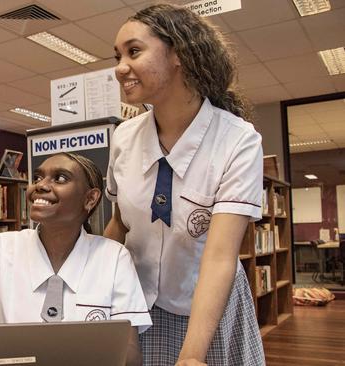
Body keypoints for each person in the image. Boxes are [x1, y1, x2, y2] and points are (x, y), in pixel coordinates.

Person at [105, 4, 265, 365]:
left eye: (134, 51)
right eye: (117, 56)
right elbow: (119, 225)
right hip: (141, 304)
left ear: (178, 53)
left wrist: (192, 355)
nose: (120, 68)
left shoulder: (238, 140)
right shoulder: (124, 137)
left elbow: (220, 255)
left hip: (207, 306)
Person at [0, 153, 151, 366]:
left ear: (90, 199)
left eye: (60, 178)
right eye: (38, 178)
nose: (40, 185)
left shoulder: (114, 257)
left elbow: (130, 354)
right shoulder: (3, 248)